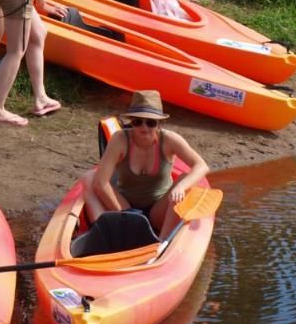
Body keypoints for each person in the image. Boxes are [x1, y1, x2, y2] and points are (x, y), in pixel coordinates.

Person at [83, 89, 210, 236]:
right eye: (138, 122)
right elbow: (101, 183)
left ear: (159, 124)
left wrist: (180, 187)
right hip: (125, 205)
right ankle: (102, 233)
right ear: (131, 122)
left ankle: (163, 241)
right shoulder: (119, 139)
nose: (144, 127)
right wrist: (126, 214)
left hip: (160, 211)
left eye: (150, 123)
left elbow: (201, 166)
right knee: (89, 177)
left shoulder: (170, 140)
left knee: (185, 181)